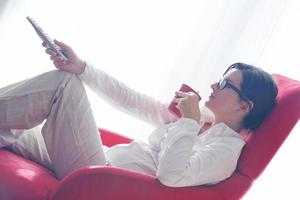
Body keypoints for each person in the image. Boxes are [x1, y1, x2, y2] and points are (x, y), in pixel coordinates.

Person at [0, 40, 278, 187]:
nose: (214, 85)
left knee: (63, 85)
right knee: (11, 130)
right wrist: (82, 67)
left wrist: (189, 122)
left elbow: (172, 176)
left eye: (226, 84)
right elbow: (135, 101)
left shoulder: (224, 151)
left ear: (245, 106)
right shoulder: (202, 118)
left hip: (97, 179)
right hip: (96, 160)